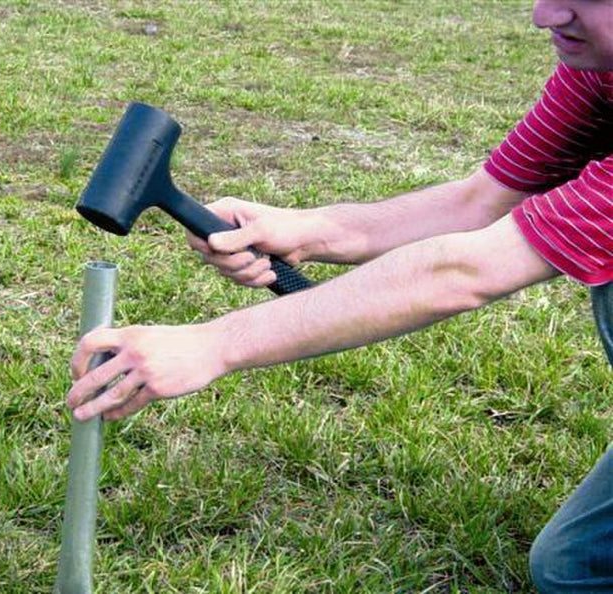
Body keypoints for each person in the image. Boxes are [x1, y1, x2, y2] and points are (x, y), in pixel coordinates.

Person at [67, 1, 613, 591]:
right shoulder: (599, 67)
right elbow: (477, 203)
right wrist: (308, 230)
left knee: (576, 571)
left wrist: (217, 343)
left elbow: (463, 271)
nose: (545, 15)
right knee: (576, 564)